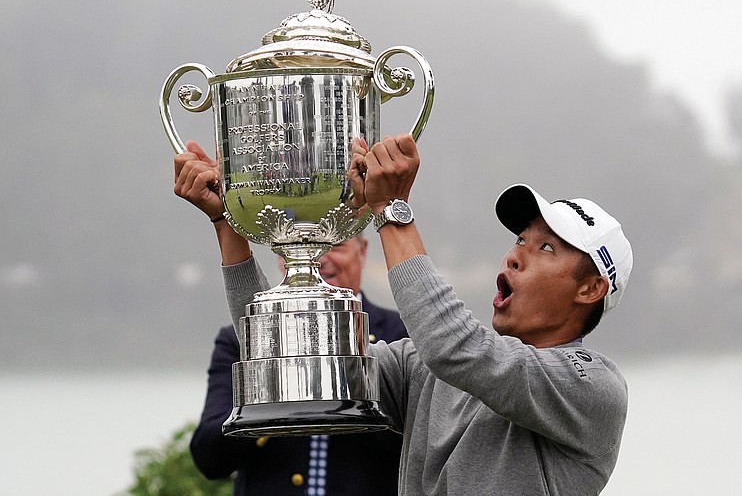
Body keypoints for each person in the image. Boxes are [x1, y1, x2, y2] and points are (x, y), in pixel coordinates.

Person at [176, 133, 634, 495]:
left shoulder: (592, 386)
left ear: (590, 288)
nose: (514, 257)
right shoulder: (424, 367)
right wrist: (227, 224)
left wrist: (389, 210)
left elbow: (458, 349)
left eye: (546, 248)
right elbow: (287, 355)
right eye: (520, 239)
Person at [174, 141, 408, 496]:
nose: (320, 258)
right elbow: (209, 457)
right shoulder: (238, 338)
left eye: (336, 243)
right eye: (295, 242)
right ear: (279, 252)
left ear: (362, 250)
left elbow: (418, 444)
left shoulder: (399, 334)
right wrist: (276, 391)